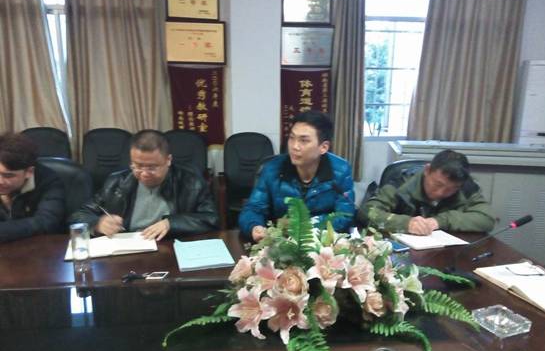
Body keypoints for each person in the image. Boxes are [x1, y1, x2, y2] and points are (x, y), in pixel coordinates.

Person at [69, 129, 218, 240]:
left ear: (168, 160)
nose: (144, 174)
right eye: (138, 166)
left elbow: (211, 219)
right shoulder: (116, 182)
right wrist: (97, 223)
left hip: (170, 245)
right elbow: (78, 215)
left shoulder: (190, 182)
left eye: (152, 167)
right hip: (128, 247)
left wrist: (171, 224)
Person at [239, 110, 355, 242]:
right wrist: (254, 227)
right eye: (292, 138)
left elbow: (345, 214)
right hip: (281, 243)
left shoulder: (340, 170)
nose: (294, 146)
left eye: (304, 141)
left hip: (324, 242)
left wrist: (304, 227)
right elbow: (253, 208)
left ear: (323, 147)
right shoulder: (272, 169)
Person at [358, 149, 495, 235]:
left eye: (451, 189)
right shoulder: (402, 183)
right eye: (438, 184)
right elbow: (366, 212)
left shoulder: (465, 187)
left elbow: (486, 219)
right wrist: (406, 223)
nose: (440, 193)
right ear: (427, 170)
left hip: (447, 251)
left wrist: (440, 221)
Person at [0, 132, 65, 242]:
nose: (0, 181)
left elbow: (47, 222)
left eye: (8, 176)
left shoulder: (49, 180)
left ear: (29, 172)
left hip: (39, 247)